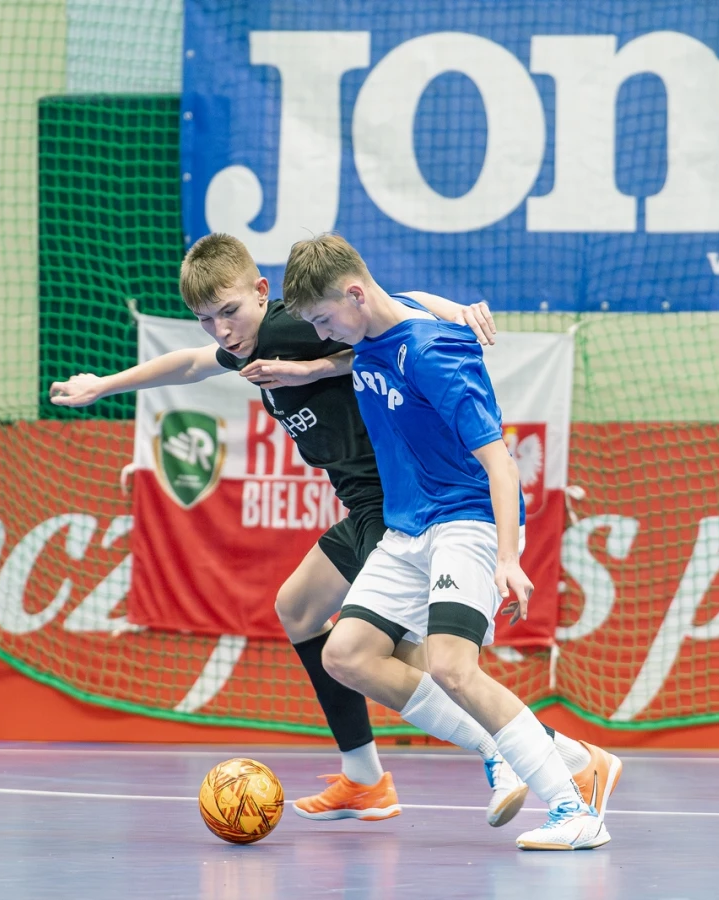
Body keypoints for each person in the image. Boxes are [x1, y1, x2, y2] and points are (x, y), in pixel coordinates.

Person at [50, 233, 528, 826]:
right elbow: (192, 364)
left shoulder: (287, 329)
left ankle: (536, 753)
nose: (221, 331)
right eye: (206, 320)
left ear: (261, 292)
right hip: (363, 508)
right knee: (299, 609)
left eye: (229, 311)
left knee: (407, 659)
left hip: (398, 506)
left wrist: (321, 363)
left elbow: (389, 312)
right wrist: (104, 384)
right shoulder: (248, 343)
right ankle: (365, 779)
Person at [280, 233, 622, 851]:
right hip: (409, 526)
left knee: (450, 665)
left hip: (466, 520)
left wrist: (508, 557)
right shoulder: (381, 323)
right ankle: (527, 751)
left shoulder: (434, 354)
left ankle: (575, 811)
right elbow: (398, 310)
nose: (324, 334)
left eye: (325, 320)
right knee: (346, 654)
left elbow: (500, 463)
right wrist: (308, 368)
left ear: (355, 294)